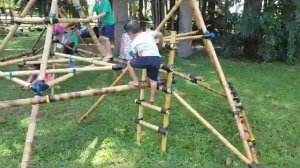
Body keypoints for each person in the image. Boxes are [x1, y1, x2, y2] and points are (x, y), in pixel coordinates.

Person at [126, 22, 164, 105]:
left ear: (130, 34)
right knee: (153, 80)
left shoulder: (134, 42)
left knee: (129, 63)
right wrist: (160, 43)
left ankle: (135, 81)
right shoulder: (149, 33)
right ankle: (152, 98)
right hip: (156, 59)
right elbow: (160, 34)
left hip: (145, 58)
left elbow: (135, 55)